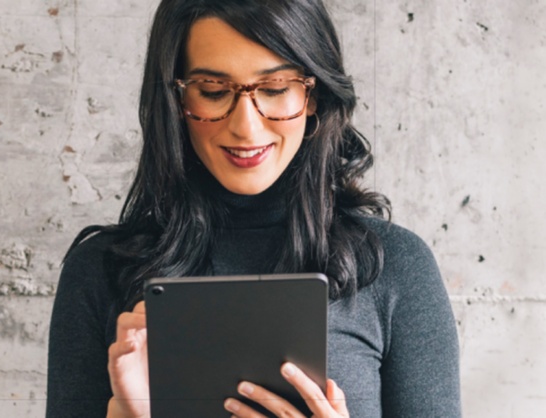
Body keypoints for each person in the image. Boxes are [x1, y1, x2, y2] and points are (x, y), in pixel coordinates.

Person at [46, 0, 462, 417]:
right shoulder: (98, 270)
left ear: (313, 94)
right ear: (176, 99)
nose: (245, 126)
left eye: (276, 88)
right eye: (212, 91)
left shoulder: (395, 267)